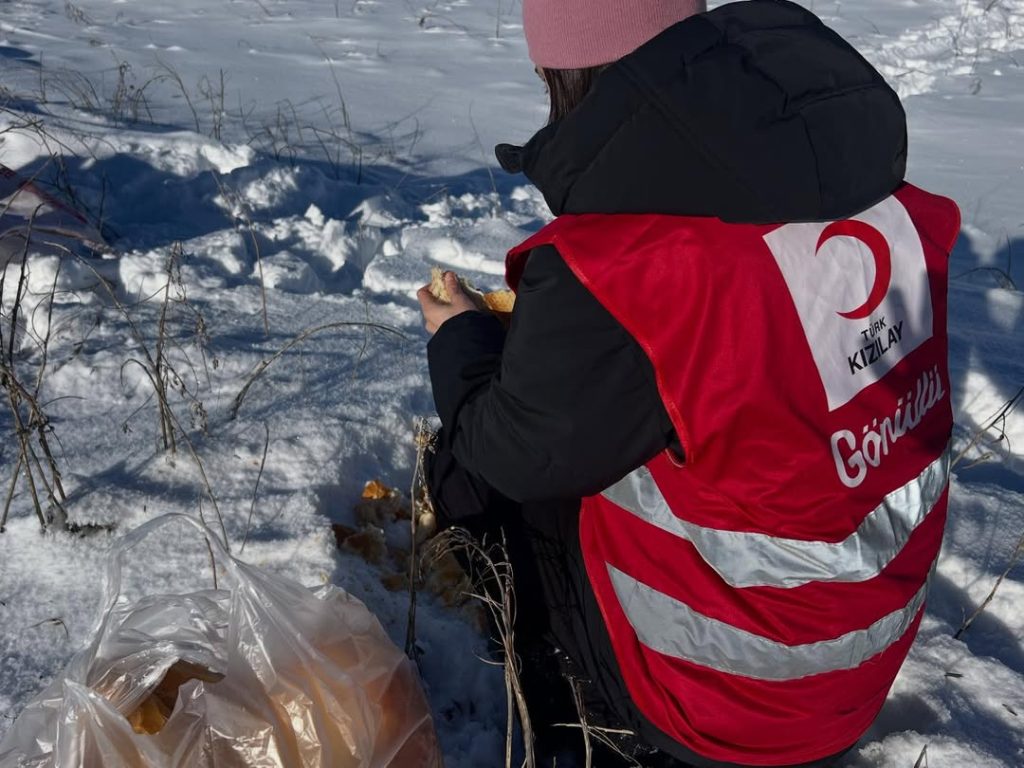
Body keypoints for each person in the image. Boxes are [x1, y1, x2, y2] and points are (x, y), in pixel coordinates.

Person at [417, 1, 961, 766]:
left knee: (491, 475)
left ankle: (559, 711)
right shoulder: (862, 181)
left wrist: (461, 340)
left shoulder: (626, 259)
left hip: (733, 701)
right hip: (867, 646)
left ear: (558, 69)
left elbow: (517, 449)